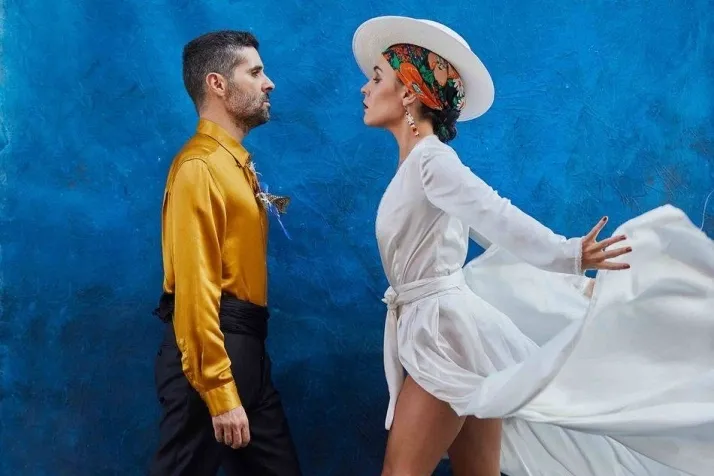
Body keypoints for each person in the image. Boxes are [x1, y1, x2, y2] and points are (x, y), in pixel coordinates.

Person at [353, 15, 714, 476]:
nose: (365, 88)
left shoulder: (432, 163)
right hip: (444, 329)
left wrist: (571, 255)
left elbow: (497, 215)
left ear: (409, 91)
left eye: (376, 78)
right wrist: (568, 268)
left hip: (443, 339)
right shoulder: (419, 166)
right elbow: (492, 233)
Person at [149, 30, 301, 476]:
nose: (269, 83)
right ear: (217, 84)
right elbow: (195, 289)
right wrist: (218, 390)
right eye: (255, 72)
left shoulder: (232, 162)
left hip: (247, 349)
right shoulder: (199, 166)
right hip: (213, 353)